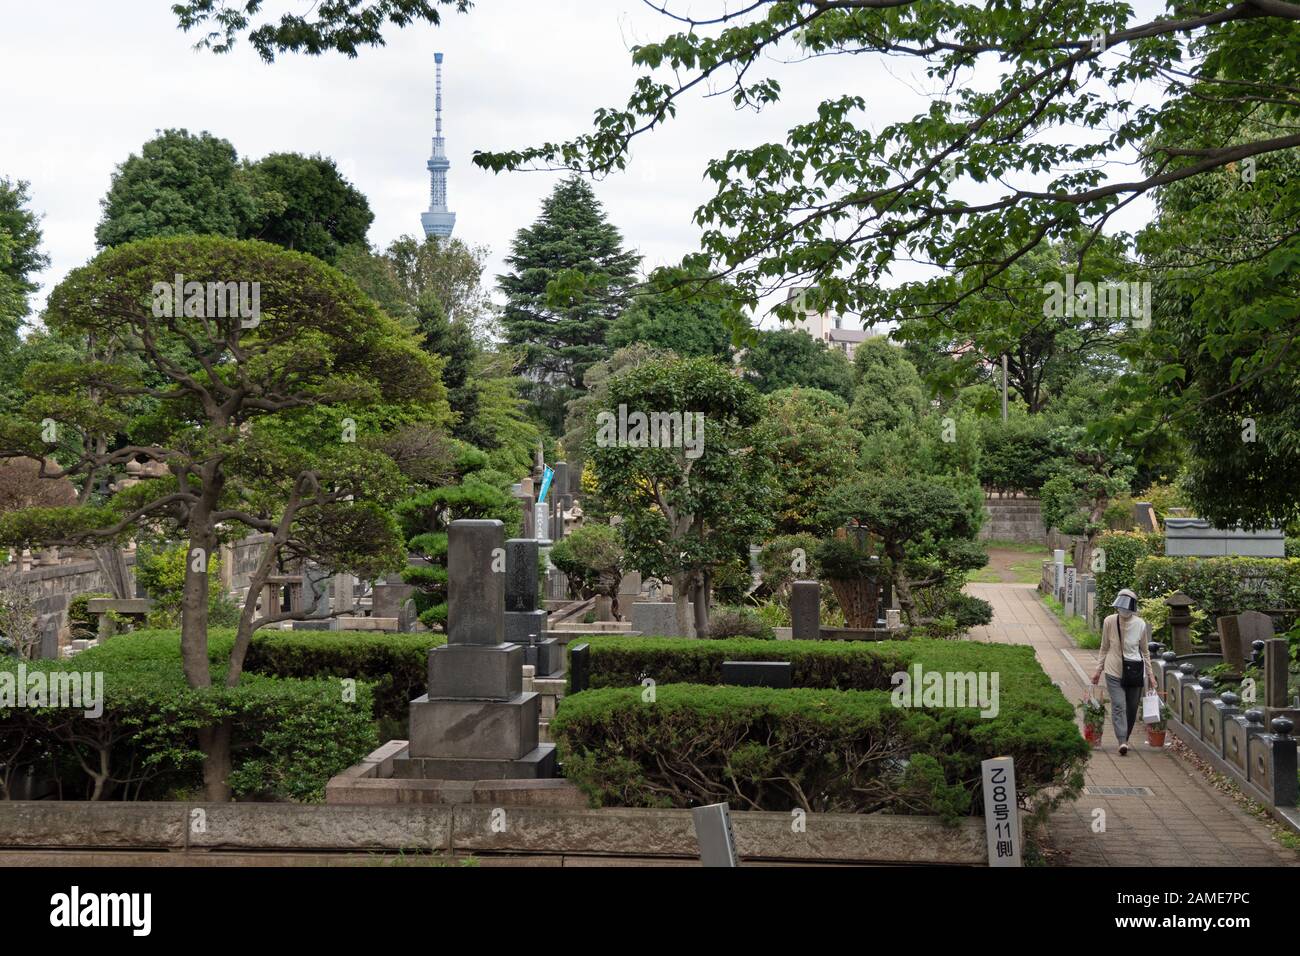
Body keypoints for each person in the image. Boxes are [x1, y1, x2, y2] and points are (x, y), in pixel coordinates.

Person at [1090, 588, 1157, 755]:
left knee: (1132, 707)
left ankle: (1125, 737)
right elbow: (1104, 647)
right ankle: (1122, 740)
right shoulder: (1109, 622)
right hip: (1113, 670)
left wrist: (1150, 675)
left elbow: (1145, 651)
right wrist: (1098, 670)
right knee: (1119, 705)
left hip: (1134, 671)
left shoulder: (1140, 624)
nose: (1124, 611)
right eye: (1121, 608)